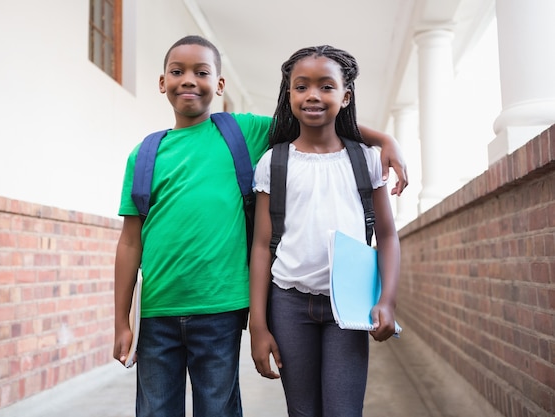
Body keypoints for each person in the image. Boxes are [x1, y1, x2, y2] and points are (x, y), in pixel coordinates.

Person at [113, 35, 406, 417]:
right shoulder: (145, 153)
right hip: (157, 310)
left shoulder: (243, 132)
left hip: (222, 307)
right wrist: (121, 319)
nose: (188, 80)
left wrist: (385, 138)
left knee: (218, 407)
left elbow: (315, 115)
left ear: (219, 85)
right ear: (161, 81)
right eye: (177, 71)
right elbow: (130, 243)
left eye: (201, 72)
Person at [248, 45, 401, 417]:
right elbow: (261, 247)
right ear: (289, 94)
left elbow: (388, 235)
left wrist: (387, 300)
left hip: (348, 304)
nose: (313, 95)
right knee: (302, 412)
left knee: (343, 410)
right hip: (289, 304)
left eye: (326, 86)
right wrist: (257, 324)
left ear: (346, 97)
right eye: (301, 86)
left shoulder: (365, 159)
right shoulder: (275, 161)